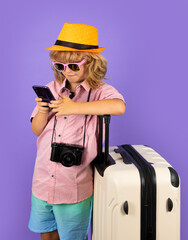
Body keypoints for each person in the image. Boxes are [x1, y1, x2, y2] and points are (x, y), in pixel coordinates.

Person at [28, 22, 126, 240]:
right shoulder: (52, 88)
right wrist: (43, 112)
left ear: (91, 63)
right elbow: (36, 130)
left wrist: (75, 108)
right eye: (59, 66)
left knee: (73, 237)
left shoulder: (101, 92)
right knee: (47, 234)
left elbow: (119, 106)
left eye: (73, 66)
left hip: (74, 186)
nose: (66, 72)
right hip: (43, 181)